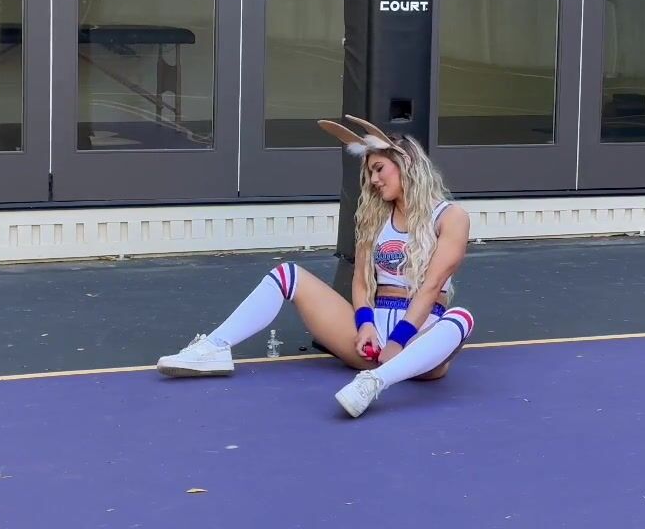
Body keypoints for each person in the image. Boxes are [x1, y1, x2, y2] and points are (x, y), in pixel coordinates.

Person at [156, 115, 475, 418]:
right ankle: (214, 348)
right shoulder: (376, 219)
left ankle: (374, 383)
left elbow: (432, 286)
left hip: (420, 341)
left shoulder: (450, 217)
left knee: (461, 318)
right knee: (287, 275)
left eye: (379, 169)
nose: (374, 180)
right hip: (374, 336)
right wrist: (365, 325)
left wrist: (397, 342)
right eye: (369, 174)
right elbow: (362, 282)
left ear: (405, 162)